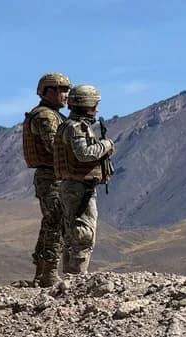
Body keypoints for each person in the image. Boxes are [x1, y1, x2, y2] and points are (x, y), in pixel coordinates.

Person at [54, 84, 114, 274]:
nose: (96, 109)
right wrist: (106, 145)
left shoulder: (69, 125)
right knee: (83, 234)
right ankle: (77, 279)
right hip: (80, 188)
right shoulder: (77, 128)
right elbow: (84, 154)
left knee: (73, 234)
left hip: (75, 186)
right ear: (86, 104)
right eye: (94, 105)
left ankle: (71, 279)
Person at [22, 72, 71, 287]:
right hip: (50, 177)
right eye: (61, 90)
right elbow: (54, 146)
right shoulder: (45, 117)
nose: (66, 95)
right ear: (48, 92)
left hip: (52, 176)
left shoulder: (51, 114)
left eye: (67, 89)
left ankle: (41, 273)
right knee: (56, 222)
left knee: (50, 222)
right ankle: (49, 273)